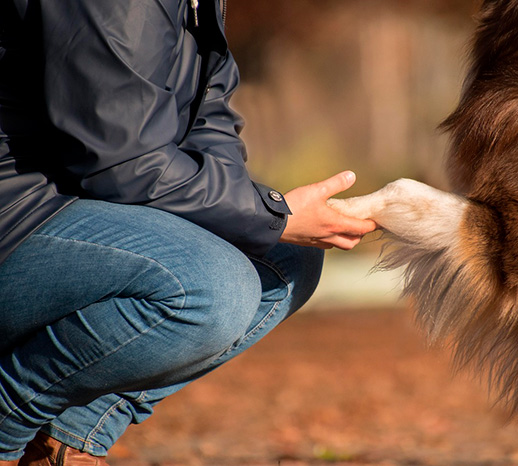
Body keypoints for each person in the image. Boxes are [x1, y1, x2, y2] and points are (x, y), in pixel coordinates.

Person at [0, 0, 377, 464]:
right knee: (212, 287)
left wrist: (262, 218)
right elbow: (124, 161)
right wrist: (273, 216)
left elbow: (208, 117)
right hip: (17, 213)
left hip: (70, 200)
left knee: (283, 260)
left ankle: (66, 437)